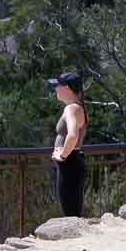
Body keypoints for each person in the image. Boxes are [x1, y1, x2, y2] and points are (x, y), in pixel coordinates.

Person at [49, 70, 88, 218]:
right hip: (74, 162)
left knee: (70, 213)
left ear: (66, 88)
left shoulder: (71, 108)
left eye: (57, 86)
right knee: (73, 211)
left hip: (70, 163)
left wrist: (62, 155)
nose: (56, 89)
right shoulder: (78, 106)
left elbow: (72, 135)